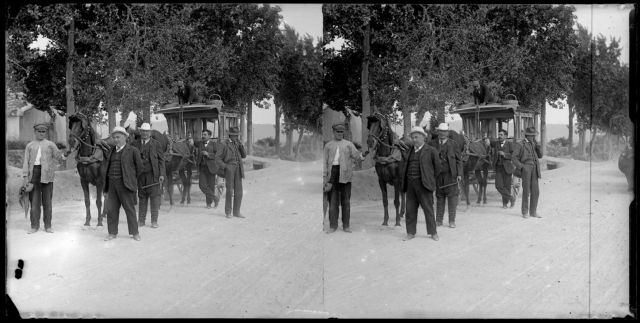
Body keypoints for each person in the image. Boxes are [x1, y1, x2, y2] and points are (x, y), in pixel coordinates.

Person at [22, 123, 68, 234]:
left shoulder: (50, 144)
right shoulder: (30, 145)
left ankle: (48, 226)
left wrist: (65, 154)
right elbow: (25, 162)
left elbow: (58, 157)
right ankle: (34, 226)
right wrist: (25, 177)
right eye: (39, 131)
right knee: (34, 203)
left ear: (45, 132)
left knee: (47, 202)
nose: (41, 133)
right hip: (33, 176)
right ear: (35, 132)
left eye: (43, 132)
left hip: (47, 176)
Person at [399, 126, 441, 241]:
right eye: (412, 137)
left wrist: (430, 180)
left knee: (428, 209)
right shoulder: (409, 151)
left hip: (424, 185)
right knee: (410, 210)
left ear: (423, 137)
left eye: (416, 137)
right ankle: (410, 233)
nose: (414, 139)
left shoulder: (431, 150)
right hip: (410, 185)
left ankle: (433, 233)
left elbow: (438, 169)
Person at [323, 122, 366, 233]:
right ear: (333, 132)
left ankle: (346, 226)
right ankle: (333, 226)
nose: (340, 134)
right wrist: (324, 177)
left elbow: (356, 156)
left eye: (342, 132)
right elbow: (324, 162)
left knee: (346, 201)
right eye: (338, 132)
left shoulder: (349, 144)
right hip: (332, 174)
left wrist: (362, 156)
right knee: (333, 202)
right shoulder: (328, 145)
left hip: (346, 175)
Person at [102, 126, 143, 241]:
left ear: (125, 137)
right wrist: (106, 188)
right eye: (114, 137)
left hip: (126, 185)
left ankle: (135, 233)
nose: (116, 140)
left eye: (118, 137)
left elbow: (139, 168)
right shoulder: (111, 151)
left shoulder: (133, 151)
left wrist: (131, 179)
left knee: (129, 209)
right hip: (112, 185)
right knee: (111, 210)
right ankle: (112, 233)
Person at [131, 123, 165, 228]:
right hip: (140, 176)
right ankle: (141, 221)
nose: (145, 133)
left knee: (154, 198)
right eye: (143, 131)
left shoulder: (156, 144)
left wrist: (162, 174)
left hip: (153, 175)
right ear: (140, 132)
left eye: (147, 131)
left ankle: (154, 221)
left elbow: (161, 160)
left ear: (150, 133)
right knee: (142, 198)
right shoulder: (134, 144)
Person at [431, 123, 463, 228]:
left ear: (447, 133)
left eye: (444, 131)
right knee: (439, 198)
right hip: (438, 175)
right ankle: (439, 220)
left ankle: (451, 221)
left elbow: (459, 160)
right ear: (437, 132)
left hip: (451, 175)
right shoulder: (432, 144)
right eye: (440, 131)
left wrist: (459, 174)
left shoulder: (454, 144)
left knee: (452, 198)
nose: (442, 133)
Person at [215, 126, 246, 218]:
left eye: (237, 135)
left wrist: (241, 145)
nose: (236, 137)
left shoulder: (238, 143)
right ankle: (228, 212)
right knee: (229, 191)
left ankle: (237, 212)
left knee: (239, 191)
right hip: (229, 169)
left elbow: (244, 155)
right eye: (234, 135)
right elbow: (217, 158)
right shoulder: (224, 144)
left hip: (238, 168)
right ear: (230, 135)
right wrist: (225, 167)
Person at [512, 127, 543, 218]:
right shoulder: (520, 144)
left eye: (534, 136)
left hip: (535, 169)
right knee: (526, 191)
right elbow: (514, 157)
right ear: (527, 135)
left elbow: (540, 155)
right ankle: (525, 212)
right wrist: (521, 167)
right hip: (526, 168)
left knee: (536, 191)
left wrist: (537, 145)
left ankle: (533, 212)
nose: (533, 137)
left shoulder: (534, 143)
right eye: (531, 136)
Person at [492, 129, 517, 208]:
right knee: (498, 185)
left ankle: (505, 204)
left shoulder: (510, 144)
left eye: (501, 135)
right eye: (499, 134)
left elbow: (514, 156)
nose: (499, 136)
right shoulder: (496, 144)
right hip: (498, 167)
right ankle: (511, 198)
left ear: (506, 136)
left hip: (507, 168)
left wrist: (505, 154)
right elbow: (489, 142)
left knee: (507, 186)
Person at [198, 129, 220, 209]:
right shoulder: (200, 144)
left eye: (205, 134)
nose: (203, 136)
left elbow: (217, 155)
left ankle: (209, 203)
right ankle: (215, 198)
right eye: (202, 134)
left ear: (209, 136)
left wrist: (208, 154)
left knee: (211, 186)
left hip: (212, 168)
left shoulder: (214, 144)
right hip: (202, 168)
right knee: (202, 185)